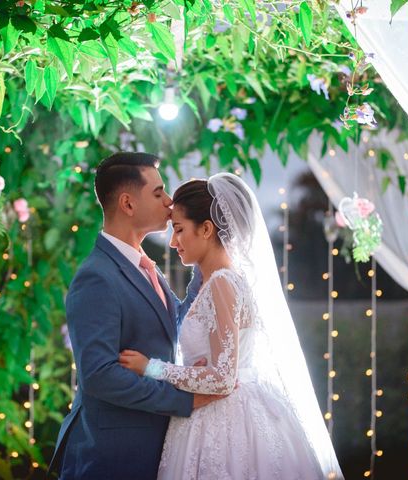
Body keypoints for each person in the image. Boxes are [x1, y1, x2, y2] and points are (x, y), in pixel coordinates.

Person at [120, 173, 344, 479]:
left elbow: (224, 378)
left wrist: (152, 368)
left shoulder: (222, 284)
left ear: (207, 229)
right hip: (229, 409)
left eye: (179, 230)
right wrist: (194, 372)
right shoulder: (216, 282)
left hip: (227, 419)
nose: (173, 242)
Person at [48, 152, 218, 479]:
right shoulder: (97, 276)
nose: (169, 202)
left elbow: (173, 326)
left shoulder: (142, 265)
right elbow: (100, 375)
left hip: (154, 447)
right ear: (128, 204)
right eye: (158, 193)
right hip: (113, 455)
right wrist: (184, 400)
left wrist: (207, 259)